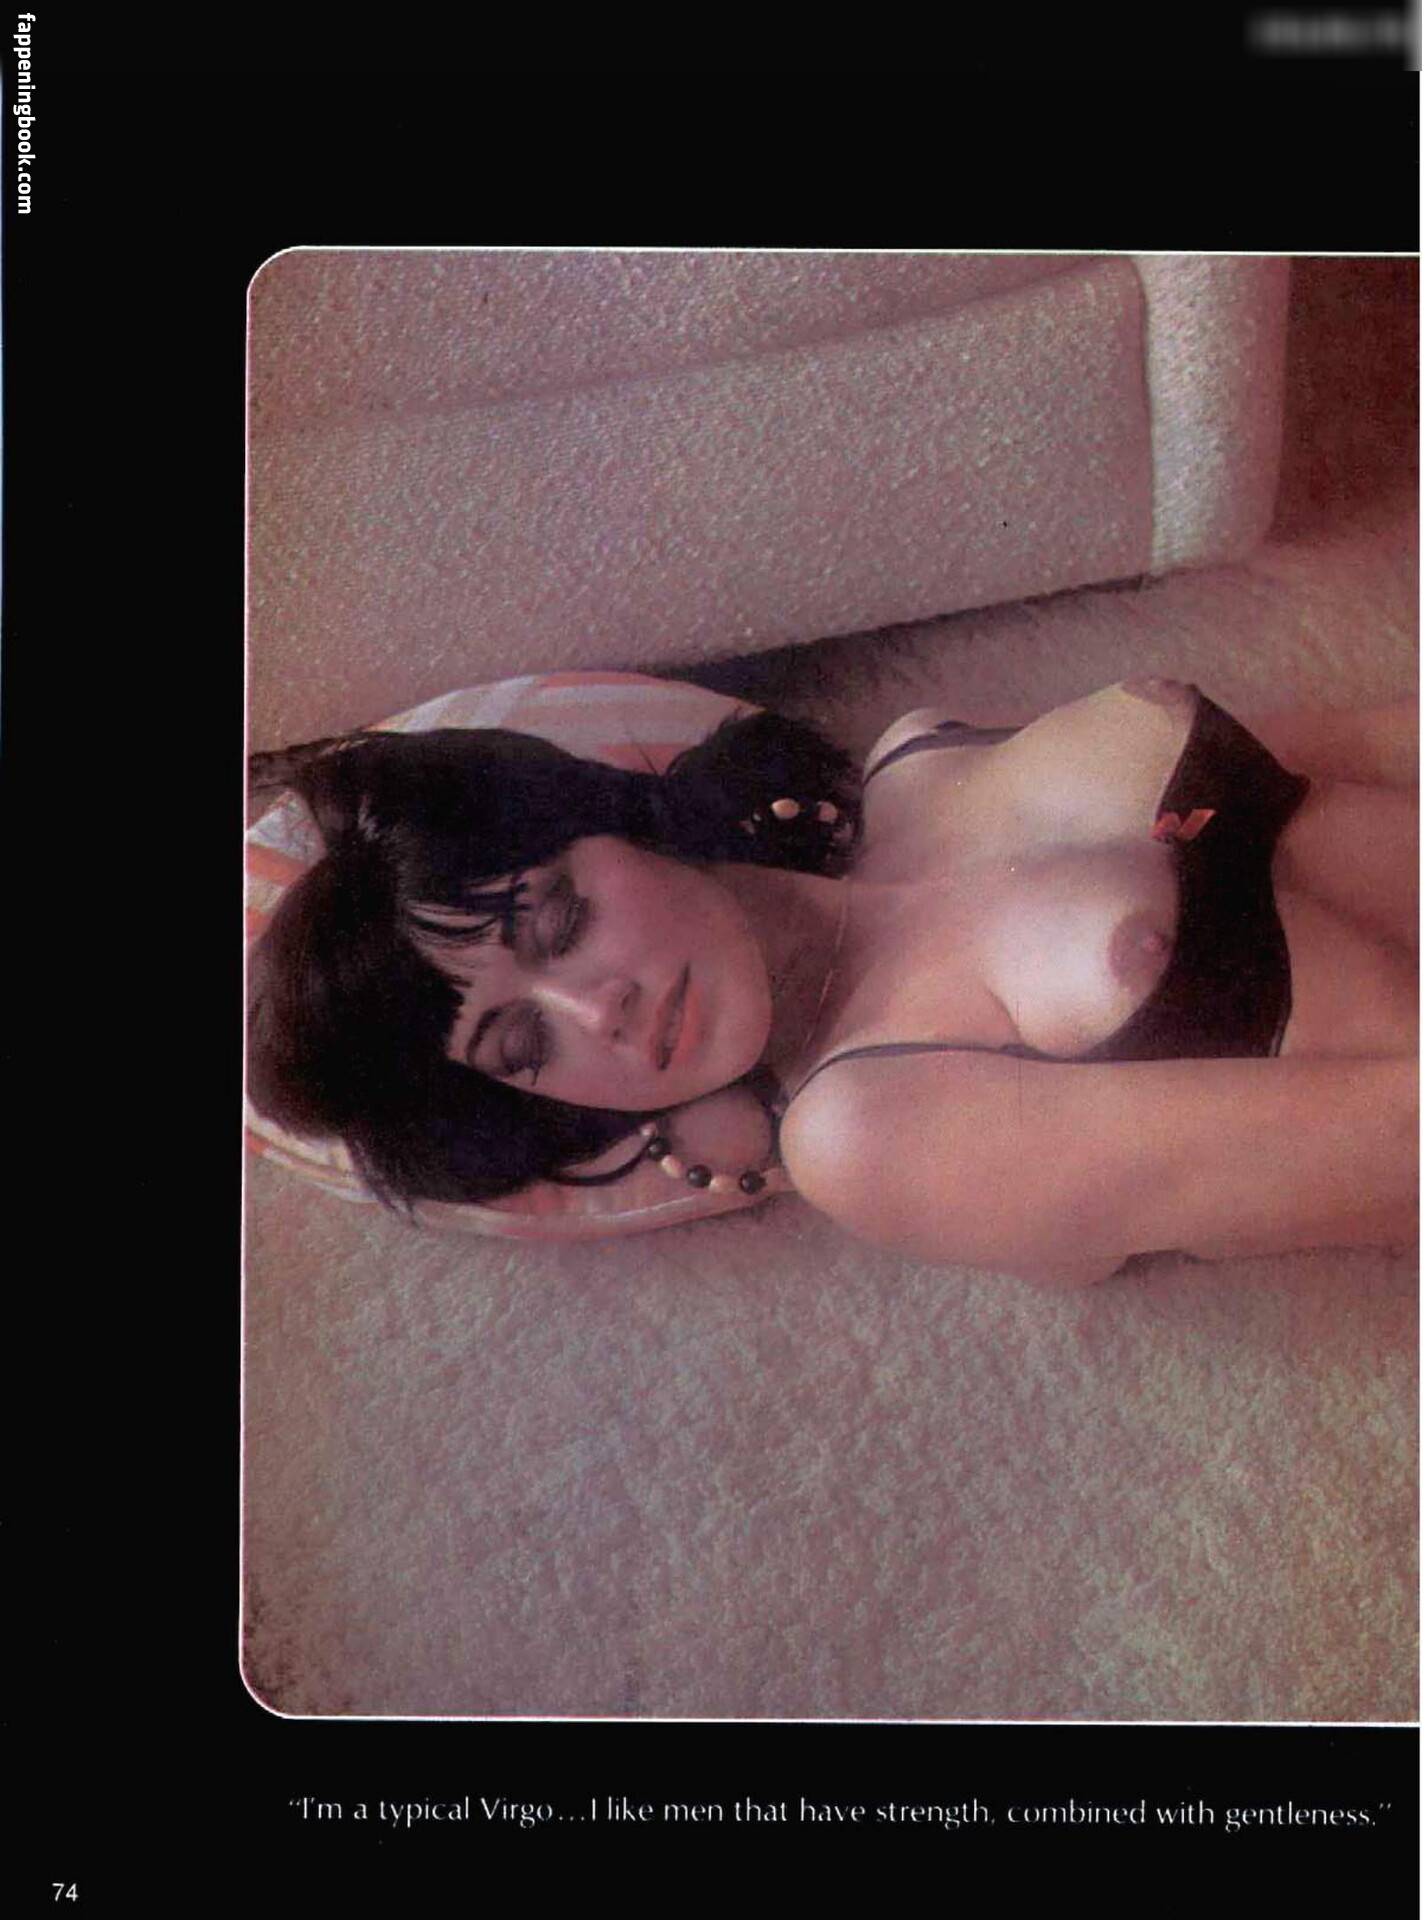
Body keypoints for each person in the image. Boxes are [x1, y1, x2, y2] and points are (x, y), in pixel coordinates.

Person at [247, 678, 1417, 1284]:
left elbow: (1361, 743)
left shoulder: (920, 754)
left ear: (605, 824)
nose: (597, 1009)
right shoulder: (866, 1130)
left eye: (557, 923)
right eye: (523, 1046)